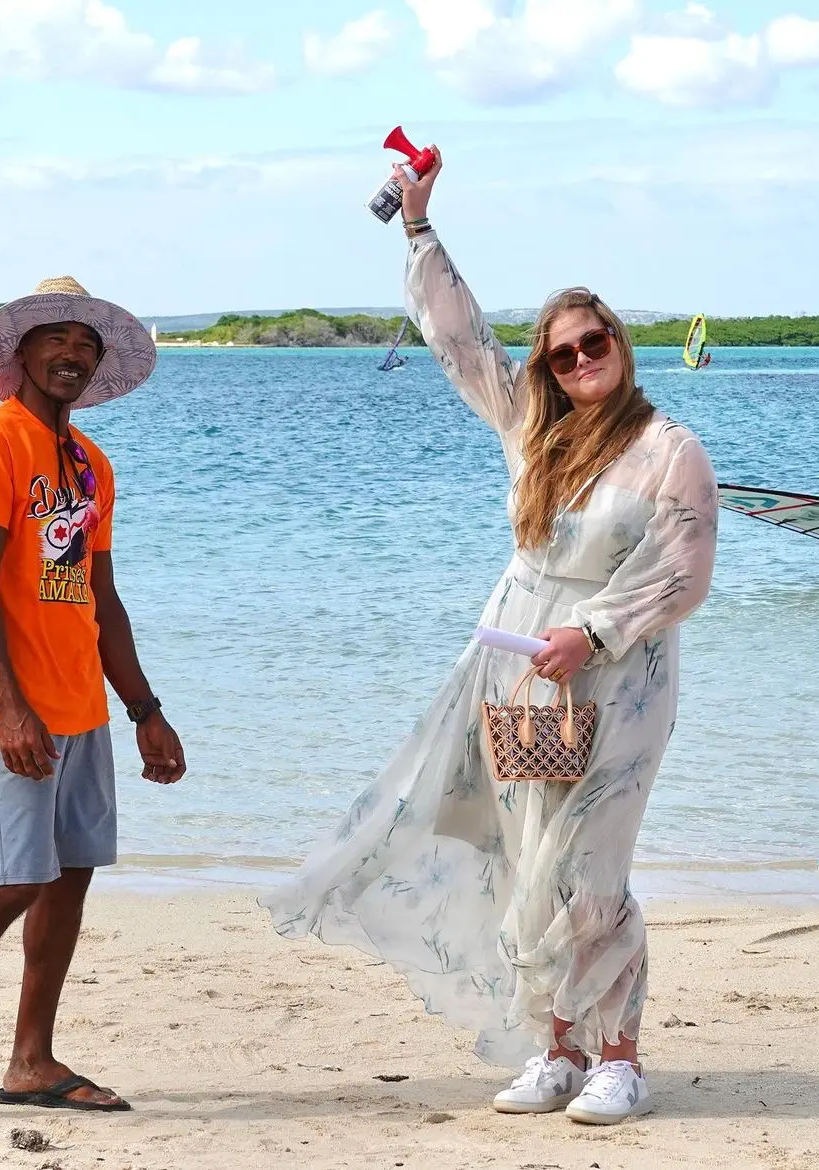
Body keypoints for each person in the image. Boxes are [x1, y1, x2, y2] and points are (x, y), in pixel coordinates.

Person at [262, 148, 718, 1126]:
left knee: (587, 862)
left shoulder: (670, 450)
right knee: (521, 856)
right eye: (562, 352)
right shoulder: (531, 427)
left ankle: (620, 1058)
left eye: (594, 343)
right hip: (516, 668)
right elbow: (461, 340)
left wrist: (590, 636)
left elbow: (682, 572)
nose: (581, 361)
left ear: (620, 344)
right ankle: (556, 1049)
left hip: (618, 680)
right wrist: (419, 226)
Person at [0, 276, 187, 1132]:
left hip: (82, 704)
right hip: (14, 707)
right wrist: (10, 708)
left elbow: (101, 597)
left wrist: (144, 709)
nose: (73, 355)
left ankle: (31, 1061)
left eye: (87, 345)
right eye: (56, 338)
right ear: (19, 353)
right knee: (15, 877)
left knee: (69, 877)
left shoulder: (91, 464)